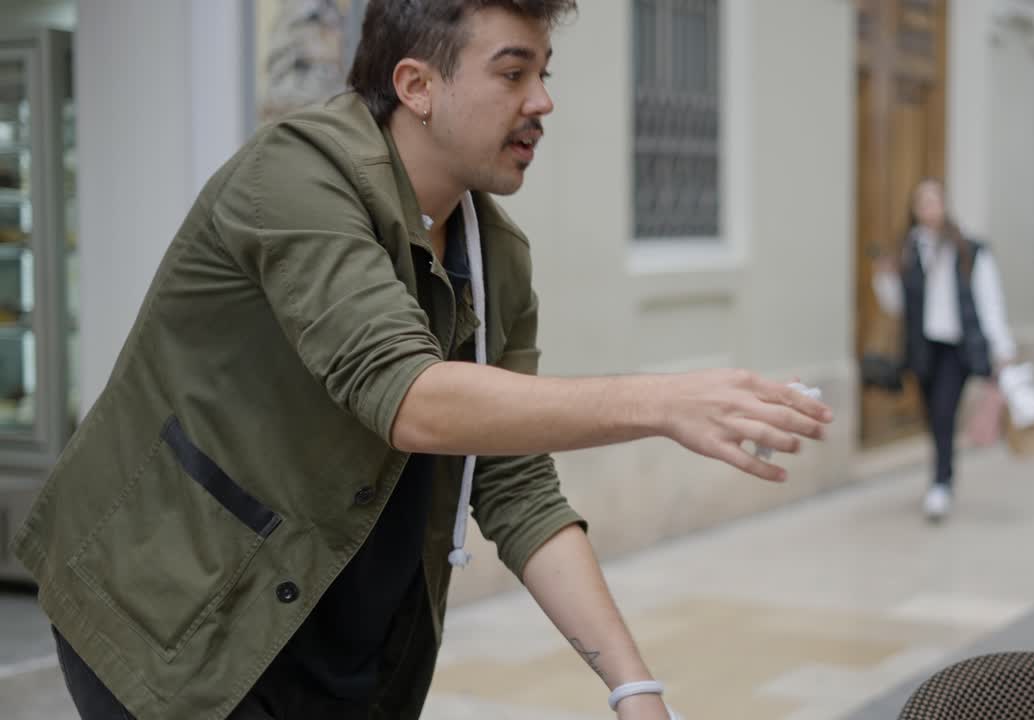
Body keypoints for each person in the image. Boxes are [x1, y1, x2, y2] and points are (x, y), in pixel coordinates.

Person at [13, 2, 833, 719]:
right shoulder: (294, 176)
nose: (543, 102)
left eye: (544, 72)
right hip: (168, 612)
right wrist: (662, 403)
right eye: (513, 74)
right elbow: (407, 396)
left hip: (345, 651)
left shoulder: (497, 257)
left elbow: (515, 484)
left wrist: (634, 689)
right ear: (416, 85)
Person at [873, 179, 1016, 522]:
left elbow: (989, 299)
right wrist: (882, 276)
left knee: (944, 411)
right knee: (931, 415)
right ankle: (942, 476)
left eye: (933, 201)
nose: (928, 208)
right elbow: (896, 306)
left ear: (944, 205)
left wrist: (1002, 347)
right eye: (921, 202)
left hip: (957, 347)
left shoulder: (967, 249)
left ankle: (941, 483)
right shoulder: (910, 248)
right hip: (924, 347)